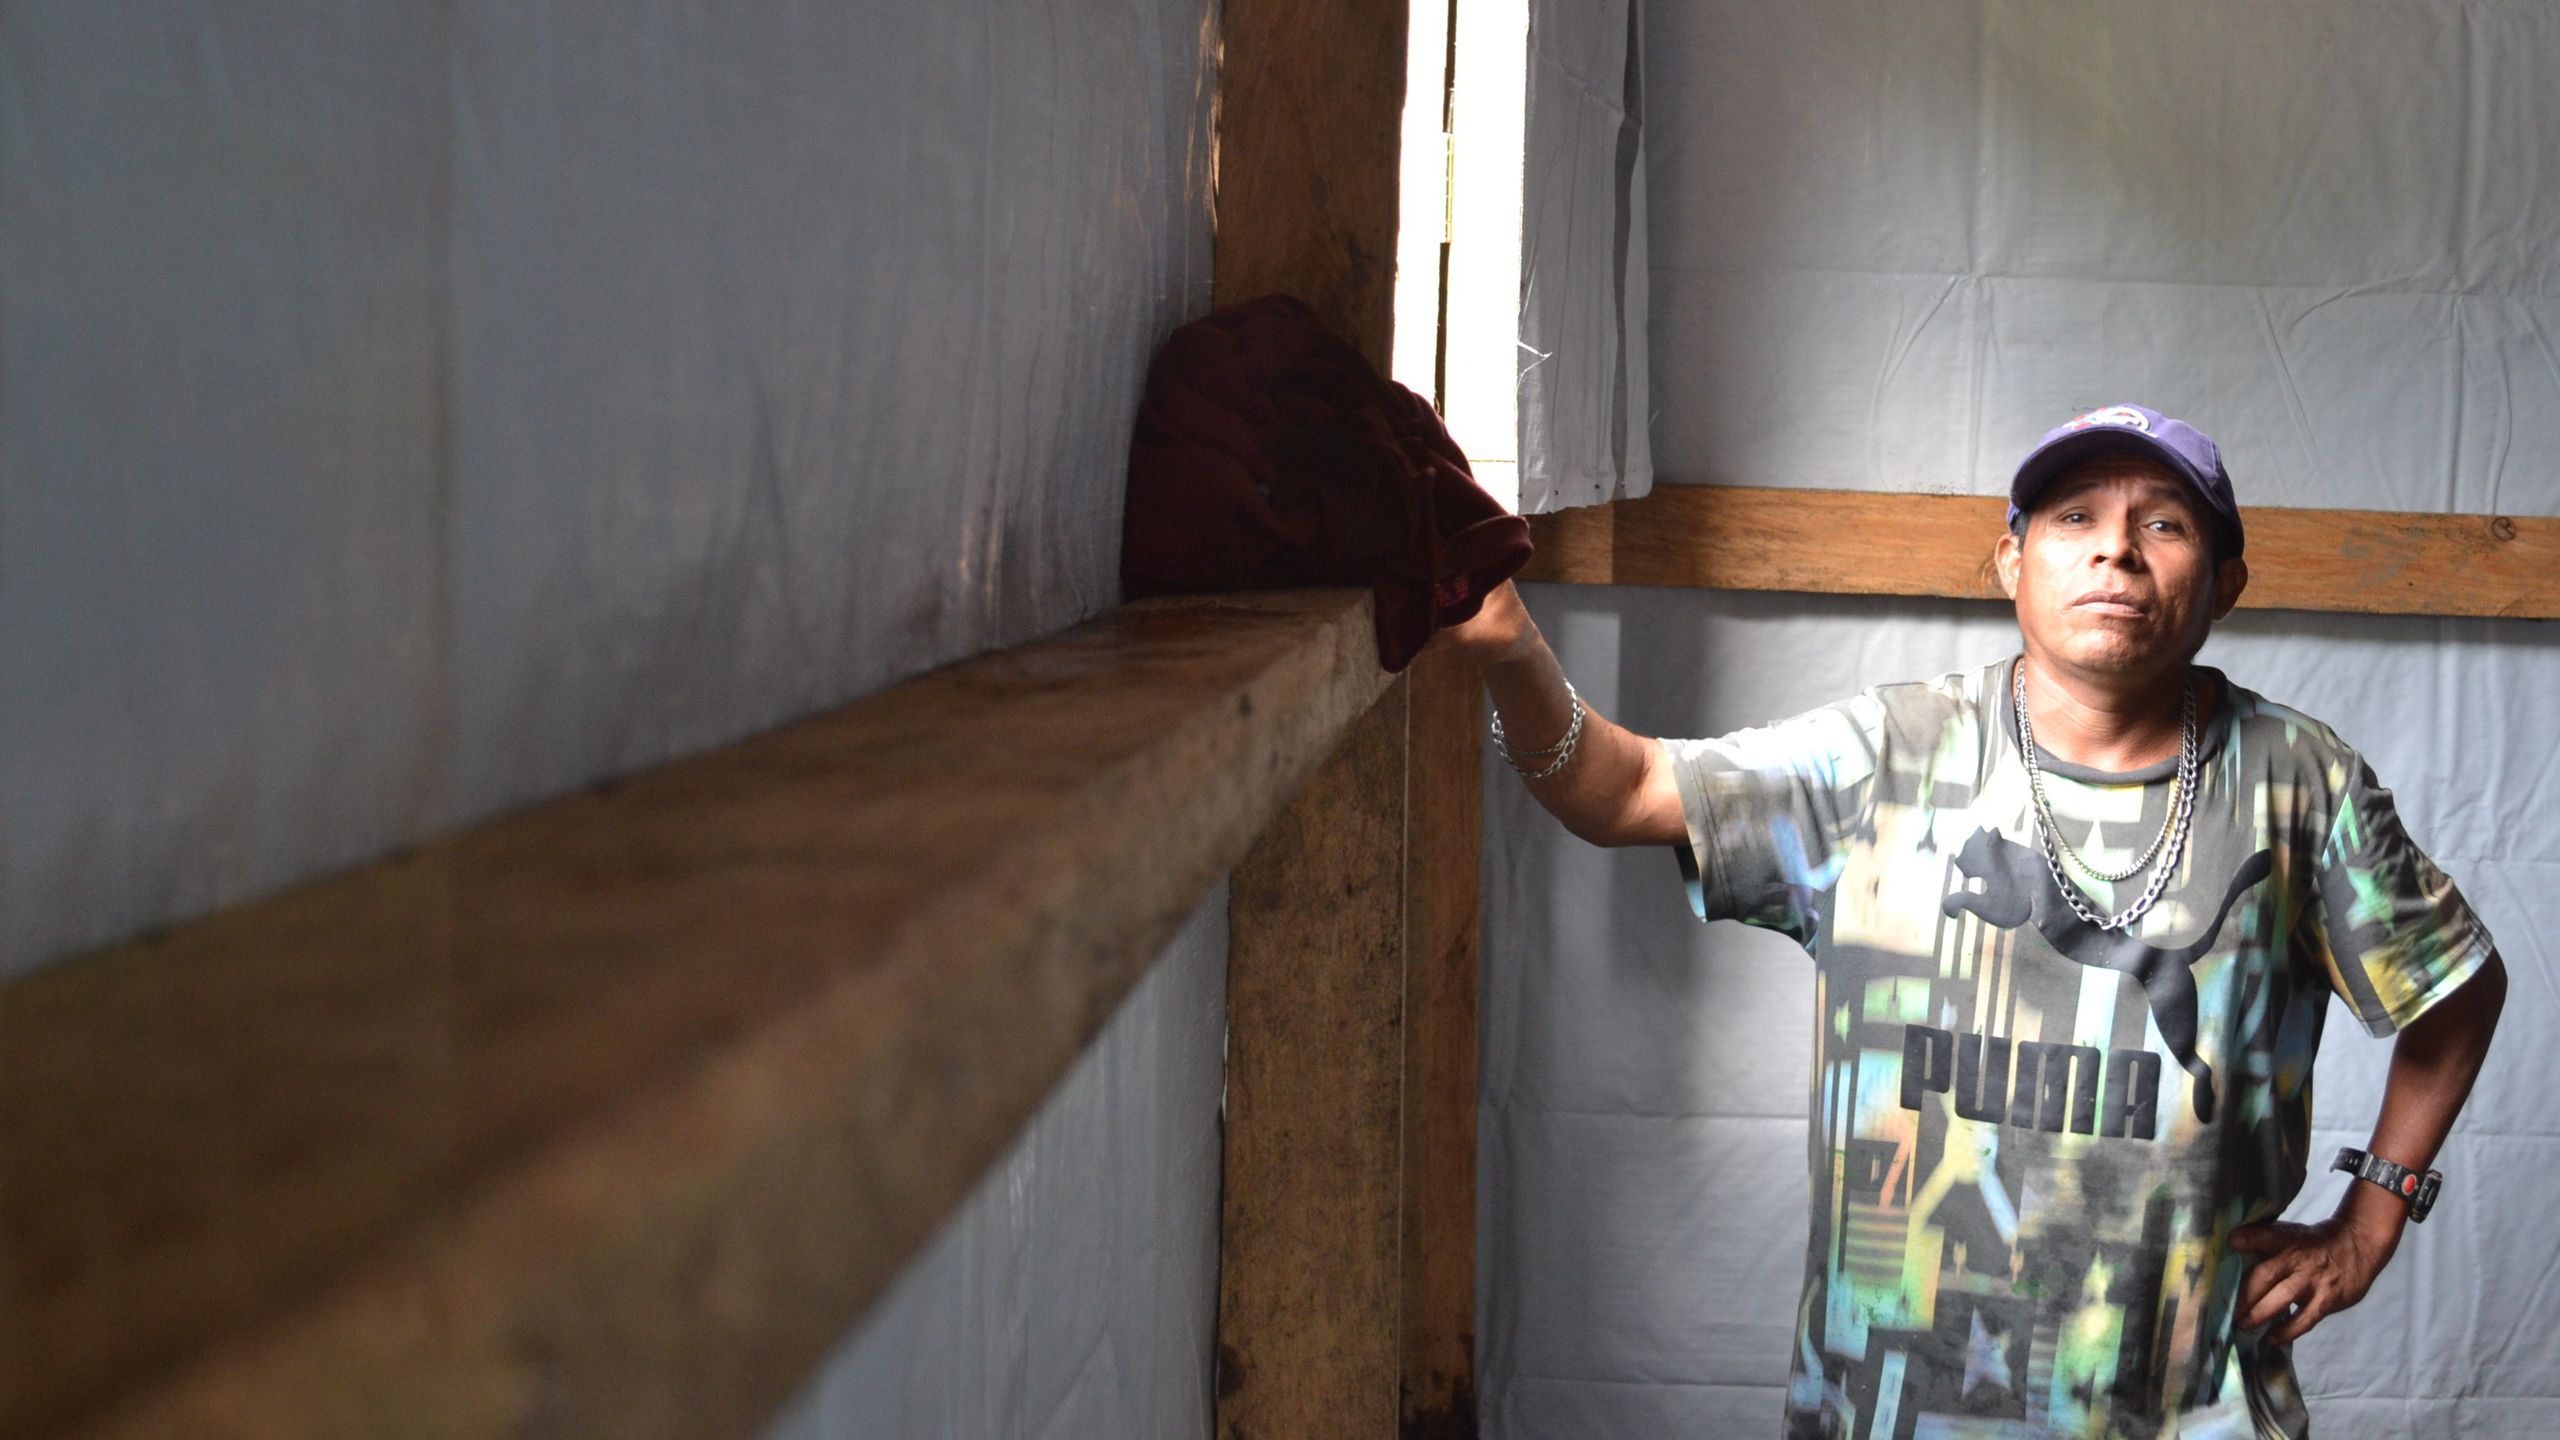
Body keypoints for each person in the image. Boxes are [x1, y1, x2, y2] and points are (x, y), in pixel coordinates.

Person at [1439, 404, 2508, 1439]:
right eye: (2074, 519)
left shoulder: (2299, 785)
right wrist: (1507, 644)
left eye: (2164, 523)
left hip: (2185, 1408)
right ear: (2011, 562)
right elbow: (1619, 791)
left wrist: (2376, 1214)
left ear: (2224, 582)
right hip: (1893, 1404)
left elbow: (2455, 984)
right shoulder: (1887, 757)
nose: (2116, 553)